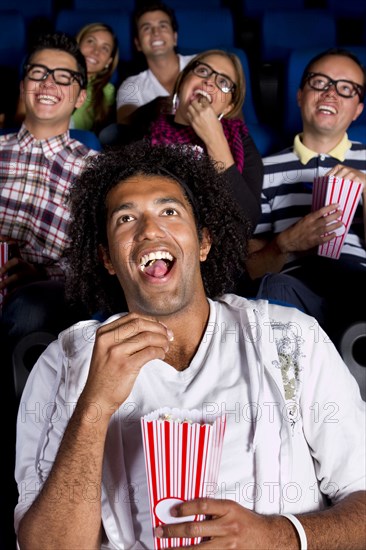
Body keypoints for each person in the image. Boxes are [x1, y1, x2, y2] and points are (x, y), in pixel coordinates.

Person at [14, 142, 365, 549]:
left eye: (169, 212)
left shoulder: (289, 339)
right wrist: (93, 408)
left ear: (202, 243)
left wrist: (278, 536)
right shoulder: (66, 362)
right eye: (126, 218)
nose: (149, 229)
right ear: (108, 259)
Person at [244, 48, 366, 349]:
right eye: (319, 82)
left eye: (345, 88)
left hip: (359, 283)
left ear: (358, 110)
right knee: (274, 288)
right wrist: (285, 244)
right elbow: (248, 266)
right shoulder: (263, 170)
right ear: (300, 96)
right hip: (295, 286)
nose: (330, 94)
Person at [125, 49, 263, 228]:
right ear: (183, 81)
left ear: (228, 106)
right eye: (203, 71)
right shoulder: (144, 132)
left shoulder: (241, 141)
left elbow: (246, 222)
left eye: (223, 82)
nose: (209, 82)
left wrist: (215, 139)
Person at [116, 1, 194, 125]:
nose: (155, 33)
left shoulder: (200, 63)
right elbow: (124, 123)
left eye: (162, 26)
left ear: (175, 37)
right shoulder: (131, 85)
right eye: (146, 28)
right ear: (138, 44)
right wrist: (153, 108)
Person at [71, 22, 119, 134]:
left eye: (105, 48)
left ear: (108, 62)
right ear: (78, 43)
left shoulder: (108, 92)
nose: (96, 51)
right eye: (91, 41)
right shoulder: (50, 74)